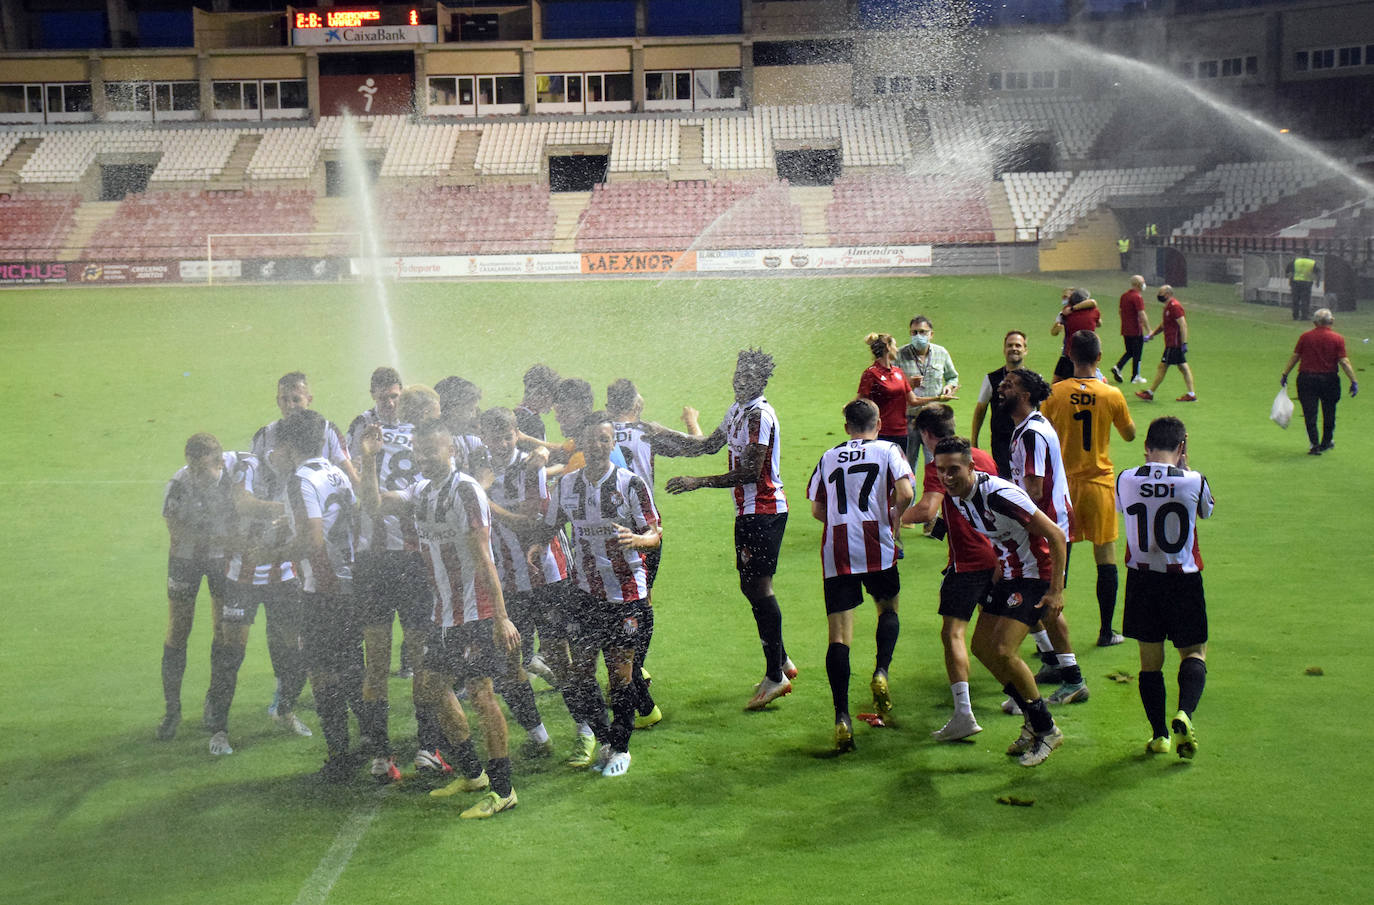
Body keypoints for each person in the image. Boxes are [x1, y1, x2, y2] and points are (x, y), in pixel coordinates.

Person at [357, 418, 523, 816]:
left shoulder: (464, 491)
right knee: (430, 688)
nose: (422, 458)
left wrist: (501, 617)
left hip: (476, 612)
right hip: (444, 615)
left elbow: (484, 556)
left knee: (482, 695)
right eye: (417, 451)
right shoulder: (423, 492)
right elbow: (372, 504)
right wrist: (368, 461)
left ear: (450, 451)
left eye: (430, 451)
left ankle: (503, 791)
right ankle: (474, 773)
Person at [521, 412, 662, 777]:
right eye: (592, 439)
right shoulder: (567, 486)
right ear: (582, 444)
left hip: (625, 595)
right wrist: (538, 544)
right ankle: (605, 738)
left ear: (612, 442)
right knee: (581, 673)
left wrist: (638, 539)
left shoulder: (631, 485)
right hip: (583, 594)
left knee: (620, 675)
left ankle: (622, 748)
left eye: (605, 439)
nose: (599, 445)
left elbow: (655, 533)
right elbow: (551, 523)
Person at [666, 348, 797, 710]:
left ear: (760, 380)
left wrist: (698, 482)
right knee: (750, 585)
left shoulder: (759, 416)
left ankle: (776, 676)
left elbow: (751, 473)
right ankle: (781, 660)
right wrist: (658, 436)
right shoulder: (737, 410)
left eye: (747, 377)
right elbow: (709, 444)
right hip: (749, 511)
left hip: (764, 511)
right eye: (737, 374)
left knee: (758, 586)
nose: (739, 381)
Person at [932, 436, 1068, 767]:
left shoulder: (1000, 495)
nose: (947, 478)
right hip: (1007, 575)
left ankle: (1046, 729)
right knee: (981, 647)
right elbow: (1000, 538)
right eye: (941, 471)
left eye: (954, 470)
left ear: (971, 467)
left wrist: (1056, 590)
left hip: (1035, 576)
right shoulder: (961, 498)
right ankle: (1031, 721)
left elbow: (1056, 535)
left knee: (1005, 651)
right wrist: (996, 574)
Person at [806, 398, 914, 751]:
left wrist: (842, 523)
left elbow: (818, 509)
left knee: (838, 635)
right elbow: (907, 492)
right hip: (877, 542)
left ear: (846, 426)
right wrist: (893, 518)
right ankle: (881, 672)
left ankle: (841, 718)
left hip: (836, 549)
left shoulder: (828, 455)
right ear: (878, 422)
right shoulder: (888, 450)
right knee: (888, 608)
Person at [346, 367, 436, 782]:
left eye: (396, 396)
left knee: (398, 661)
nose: (390, 402)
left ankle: (402, 751)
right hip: (393, 561)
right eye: (384, 396)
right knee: (398, 660)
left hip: (393, 560)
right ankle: (403, 751)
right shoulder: (370, 431)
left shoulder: (393, 432)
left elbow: (376, 500)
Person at [1116, 416, 1214, 758]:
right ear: (1182, 446)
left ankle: (1159, 736)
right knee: (1194, 652)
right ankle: (1184, 712)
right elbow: (1206, 513)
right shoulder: (1194, 480)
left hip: (1142, 581)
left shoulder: (1125, 479)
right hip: (1183, 579)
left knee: (1150, 662)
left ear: (1146, 445)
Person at [277, 409, 366, 783]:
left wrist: (272, 553)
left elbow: (312, 539)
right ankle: (375, 746)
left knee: (323, 674)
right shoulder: (336, 472)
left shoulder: (299, 479)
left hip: (322, 588)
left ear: (288, 445)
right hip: (350, 581)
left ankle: (340, 758)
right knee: (352, 666)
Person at [902, 403, 998, 741]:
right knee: (997, 634)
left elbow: (927, 508)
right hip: (998, 554)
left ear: (927, 435)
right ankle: (1033, 689)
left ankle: (963, 713)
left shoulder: (939, 465)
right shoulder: (980, 457)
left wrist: (890, 516)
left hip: (969, 561)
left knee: (953, 633)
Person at [207, 449, 312, 756]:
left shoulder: (301, 474)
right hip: (242, 577)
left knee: (296, 648)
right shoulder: (249, 467)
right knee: (231, 653)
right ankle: (219, 730)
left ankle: (285, 710)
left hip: (282, 575)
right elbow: (243, 505)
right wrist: (289, 509)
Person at [1042, 331, 1137, 647]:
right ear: (1099, 357)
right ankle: (1106, 631)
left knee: (1060, 556)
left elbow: (1042, 433)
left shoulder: (1053, 394)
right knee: (1105, 556)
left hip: (1063, 487)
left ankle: (1054, 636)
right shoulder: (1111, 395)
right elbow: (1130, 435)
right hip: (1098, 485)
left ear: (1070, 356)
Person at [1002, 368, 1088, 705]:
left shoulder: (1032, 434)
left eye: (1009, 385)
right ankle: (1053, 661)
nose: (1001, 388)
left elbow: (1035, 489)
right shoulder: (1027, 428)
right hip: (1041, 525)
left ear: (1024, 395)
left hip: (1047, 527)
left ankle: (1074, 679)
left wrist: (1009, 514)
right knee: (1039, 596)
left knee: (1049, 599)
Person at [158, 433, 239, 741]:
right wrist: (218, 540)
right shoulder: (178, 484)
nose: (196, 475)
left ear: (218, 463)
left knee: (222, 629)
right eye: (191, 467)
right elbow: (176, 533)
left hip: (220, 562)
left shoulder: (233, 480)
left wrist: (225, 542)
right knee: (179, 627)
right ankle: (172, 710)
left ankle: (214, 702)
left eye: (202, 469)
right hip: (185, 561)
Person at [1280, 308, 1359, 455]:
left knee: (1310, 413)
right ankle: (1326, 441)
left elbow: (1295, 356)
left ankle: (1314, 444)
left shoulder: (1305, 337)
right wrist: (1353, 380)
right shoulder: (1338, 339)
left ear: (1314, 322)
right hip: (1329, 379)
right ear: (1331, 321)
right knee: (1329, 411)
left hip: (1307, 379)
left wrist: (1285, 373)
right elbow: (1344, 362)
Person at [895, 316, 959, 467]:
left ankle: (935, 491)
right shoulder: (898, 355)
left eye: (923, 332)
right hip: (908, 418)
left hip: (934, 420)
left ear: (931, 334)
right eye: (914, 332)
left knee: (937, 463)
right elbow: (892, 385)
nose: (918, 336)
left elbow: (952, 377)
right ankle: (909, 491)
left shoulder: (941, 353)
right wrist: (908, 383)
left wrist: (949, 387)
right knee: (906, 466)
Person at [970, 330, 1026, 480]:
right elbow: (980, 410)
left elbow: (1043, 411)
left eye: (1018, 345)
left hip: (1026, 441)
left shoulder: (1033, 381)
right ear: (1004, 349)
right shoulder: (991, 379)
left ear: (1025, 350)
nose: (1014, 348)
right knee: (1004, 483)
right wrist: (974, 441)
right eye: (1010, 345)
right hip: (1001, 443)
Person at [858, 333, 921, 447]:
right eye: (895, 346)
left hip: (901, 432)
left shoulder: (898, 372)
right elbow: (861, 401)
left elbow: (913, 400)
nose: (897, 349)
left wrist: (939, 398)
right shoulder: (871, 373)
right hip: (881, 432)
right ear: (888, 347)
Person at [1135, 285, 1195, 403]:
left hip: (1174, 343)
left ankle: (1150, 393)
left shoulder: (1174, 306)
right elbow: (1164, 325)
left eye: (1161, 293)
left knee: (1163, 367)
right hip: (1171, 343)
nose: (1159, 295)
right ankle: (1191, 394)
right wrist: (1152, 335)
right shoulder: (1168, 307)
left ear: (1168, 294)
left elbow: (1183, 324)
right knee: (1183, 367)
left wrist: (1184, 343)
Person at [1051, 288, 1100, 382]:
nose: (1065, 299)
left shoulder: (1066, 312)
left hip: (1070, 352)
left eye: (1067, 296)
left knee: (1059, 381)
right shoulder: (1093, 311)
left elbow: (1092, 302)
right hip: (1086, 352)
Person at [1111, 275, 1152, 385]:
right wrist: (1148, 329)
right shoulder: (1137, 297)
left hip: (1125, 329)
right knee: (1137, 353)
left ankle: (1118, 367)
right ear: (1138, 284)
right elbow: (1141, 313)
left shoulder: (1124, 296)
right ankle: (1135, 376)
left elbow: (1120, 311)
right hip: (1135, 329)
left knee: (1130, 351)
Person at [515, 363, 560, 441]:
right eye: (554, 398)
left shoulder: (513, 416)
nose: (553, 405)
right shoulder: (533, 424)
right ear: (542, 394)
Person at [1285, 249, 1320, 321]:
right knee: (1305, 300)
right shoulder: (1312, 262)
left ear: (1301, 254)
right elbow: (1318, 272)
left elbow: (1287, 272)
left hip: (1295, 282)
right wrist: (1317, 282)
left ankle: (1295, 316)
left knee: (1295, 299)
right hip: (1307, 283)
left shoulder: (1295, 261)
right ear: (1309, 255)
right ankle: (1304, 316)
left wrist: (1289, 279)